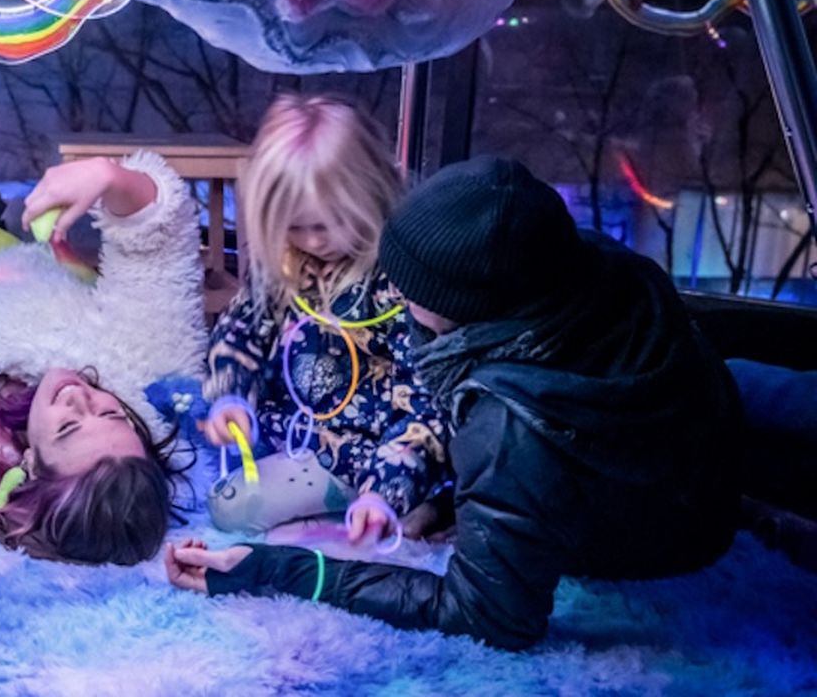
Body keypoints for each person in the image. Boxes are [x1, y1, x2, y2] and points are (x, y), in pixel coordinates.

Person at [167, 157, 744, 650]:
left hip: (671, 540)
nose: (390, 298)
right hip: (699, 458)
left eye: (408, 291)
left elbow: (491, 617)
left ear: (456, 307)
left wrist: (282, 568)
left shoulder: (510, 427)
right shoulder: (585, 260)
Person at [0, 152, 207, 564]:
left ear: (32, 466)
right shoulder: (146, 366)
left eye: (68, 427)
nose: (80, 397)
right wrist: (109, 176)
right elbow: (162, 241)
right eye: (112, 415)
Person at [196, 95, 450, 544]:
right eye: (295, 227)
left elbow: (424, 406)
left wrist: (382, 491)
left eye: (331, 223)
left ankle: (395, 503)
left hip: (374, 449)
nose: (314, 241)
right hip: (294, 433)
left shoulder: (402, 279)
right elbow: (241, 332)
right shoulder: (284, 264)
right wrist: (231, 398)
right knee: (187, 419)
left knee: (233, 508)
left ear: (371, 193)